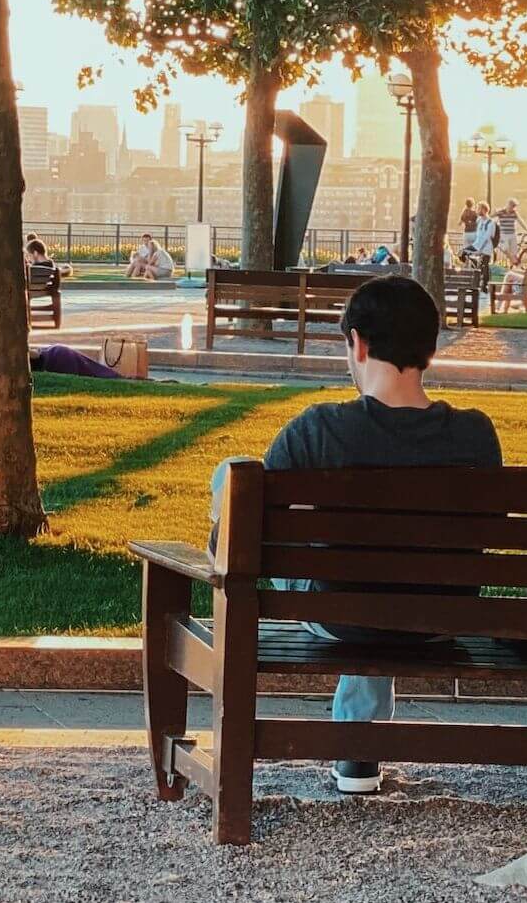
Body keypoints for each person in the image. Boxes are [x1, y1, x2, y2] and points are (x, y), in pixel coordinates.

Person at [207, 277, 502, 795]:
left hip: (343, 619)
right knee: (382, 580)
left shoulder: (320, 430)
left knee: (234, 474)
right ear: (429, 349)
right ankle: (358, 757)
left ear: (359, 343)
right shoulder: (476, 435)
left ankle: (358, 753)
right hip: (441, 617)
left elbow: (254, 532)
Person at [29, 345, 123, 378]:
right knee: (96, 372)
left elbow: (35, 355)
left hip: (55, 359)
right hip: (55, 357)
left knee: (97, 373)